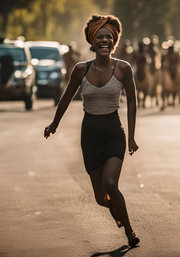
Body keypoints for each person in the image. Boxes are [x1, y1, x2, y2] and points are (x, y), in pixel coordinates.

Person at [43, 15, 140, 247]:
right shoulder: (80, 70)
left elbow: (133, 102)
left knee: (110, 184)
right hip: (90, 136)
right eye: (100, 37)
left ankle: (129, 231)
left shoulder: (123, 69)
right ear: (92, 42)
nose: (104, 40)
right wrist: (54, 124)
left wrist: (132, 137)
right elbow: (66, 98)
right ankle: (117, 211)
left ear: (114, 41)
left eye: (108, 37)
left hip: (113, 133)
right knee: (99, 199)